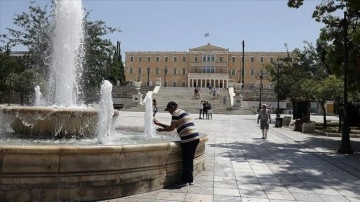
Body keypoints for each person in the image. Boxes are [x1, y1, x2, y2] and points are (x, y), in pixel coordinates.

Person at [153, 101, 200, 185]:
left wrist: (161, 129)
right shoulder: (182, 112)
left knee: (186, 159)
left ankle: (185, 181)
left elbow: (171, 128)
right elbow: (173, 127)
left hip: (188, 138)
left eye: (169, 110)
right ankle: (190, 179)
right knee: (189, 159)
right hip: (195, 137)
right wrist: (159, 124)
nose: (169, 112)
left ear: (172, 107)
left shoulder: (175, 113)